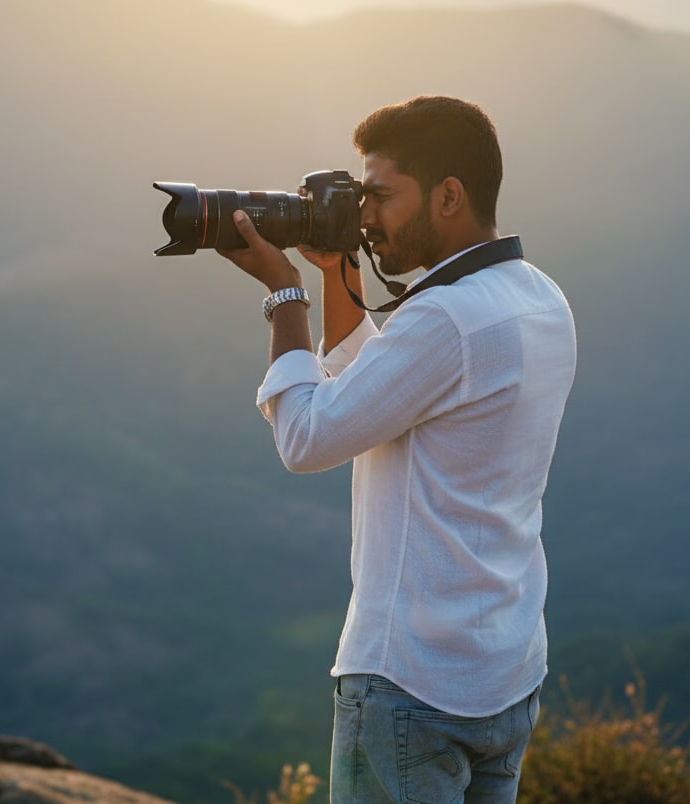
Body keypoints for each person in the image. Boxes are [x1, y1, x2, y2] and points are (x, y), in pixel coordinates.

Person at [218, 95, 576, 803]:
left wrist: (284, 293)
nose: (364, 216)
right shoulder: (536, 296)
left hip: (411, 686)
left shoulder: (445, 315)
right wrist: (336, 273)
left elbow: (306, 438)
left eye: (380, 196)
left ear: (448, 195)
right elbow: (389, 388)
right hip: (503, 674)